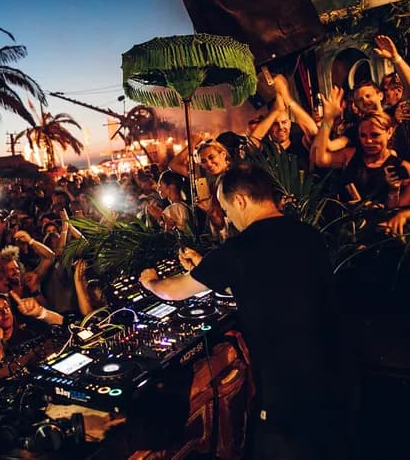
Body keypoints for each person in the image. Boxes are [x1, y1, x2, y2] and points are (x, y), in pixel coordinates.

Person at [139, 163, 343, 460]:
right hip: (330, 369)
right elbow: (270, 280)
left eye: (225, 207)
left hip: (285, 384)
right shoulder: (306, 233)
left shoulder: (241, 247)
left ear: (240, 201)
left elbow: (173, 291)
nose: (227, 217)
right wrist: (207, 268)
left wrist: (151, 282)